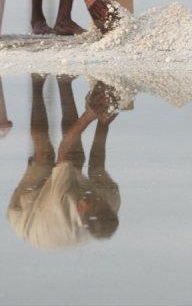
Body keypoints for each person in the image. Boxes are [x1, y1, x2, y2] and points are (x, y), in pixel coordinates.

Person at [7, 74, 123, 249]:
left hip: (29, 218)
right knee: (76, 158)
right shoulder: (111, 199)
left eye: (90, 199)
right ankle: (64, 82)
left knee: (45, 158)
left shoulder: (63, 203)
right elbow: (97, 164)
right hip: (56, 219)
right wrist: (103, 122)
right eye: (99, 197)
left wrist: (89, 115)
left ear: (81, 208)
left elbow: (63, 150)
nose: (96, 196)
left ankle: (37, 81)